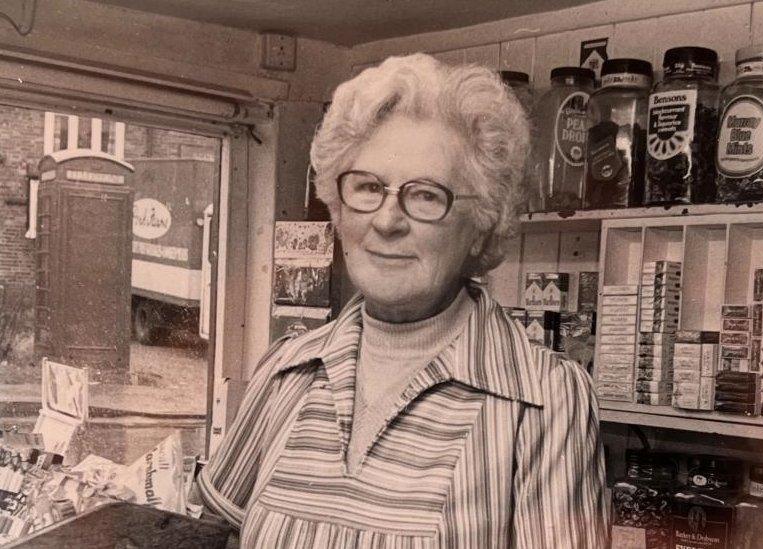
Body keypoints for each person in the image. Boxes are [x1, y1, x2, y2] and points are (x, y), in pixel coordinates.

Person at [196, 53, 608, 547]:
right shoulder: (287, 369)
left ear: (483, 226)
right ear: (337, 205)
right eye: (368, 187)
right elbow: (216, 535)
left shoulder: (544, 399)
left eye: (426, 195)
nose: (387, 221)